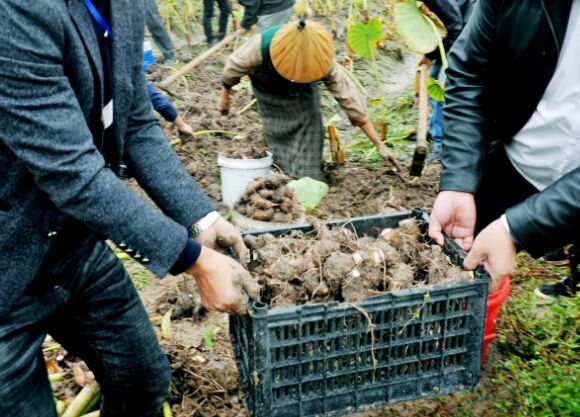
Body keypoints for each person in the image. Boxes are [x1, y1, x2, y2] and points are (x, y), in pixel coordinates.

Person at [0, 1, 259, 416]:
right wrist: (193, 260)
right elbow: (71, 171)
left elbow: (134, 116)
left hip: (73, 247)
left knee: (142, 381)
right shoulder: (16, 11)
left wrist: (200, 218)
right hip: (6, 261)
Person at [428, 0, 579, 297]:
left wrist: (516, 228)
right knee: (462, 267)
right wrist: (459, 180)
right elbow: (470, 71)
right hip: (514, 160)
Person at [218, 18, 400, 180]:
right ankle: (279, 171)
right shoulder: (261, 45)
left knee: (312, 124)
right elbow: (232, 68)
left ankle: (308, 176)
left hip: (303, 92)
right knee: (275, 128)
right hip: (269, 87)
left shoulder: (322, 60)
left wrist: (379, 144)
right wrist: (225, 97)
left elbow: (350, 100)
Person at [415, 0, 475, 162]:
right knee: (434, 79)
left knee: (442, 87)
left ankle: (440, 143)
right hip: (454, 30)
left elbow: (454, 25)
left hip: (466, 33)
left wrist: (430, 56)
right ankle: (434, 126)